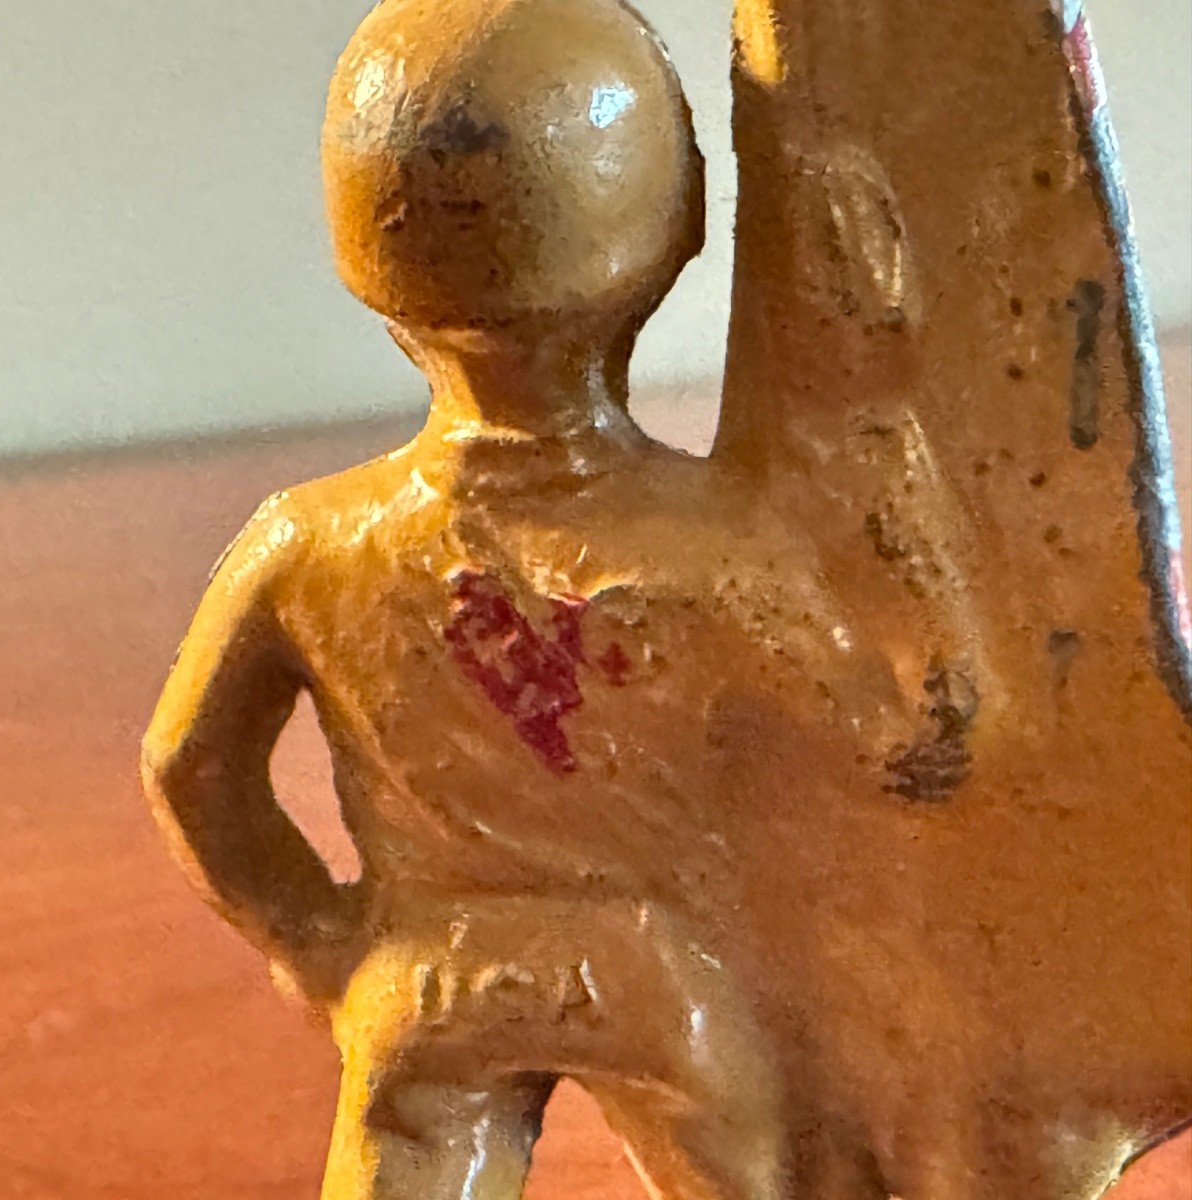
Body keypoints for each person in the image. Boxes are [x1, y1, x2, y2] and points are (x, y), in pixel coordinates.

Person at [143, 1, 935, 1195]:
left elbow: (190, 767)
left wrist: (317, 943)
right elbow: (882, 743)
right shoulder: (720, 558)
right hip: (657, 981)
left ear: (364, 254)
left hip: (428, 981)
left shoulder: (303, 546)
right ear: (681, 227)